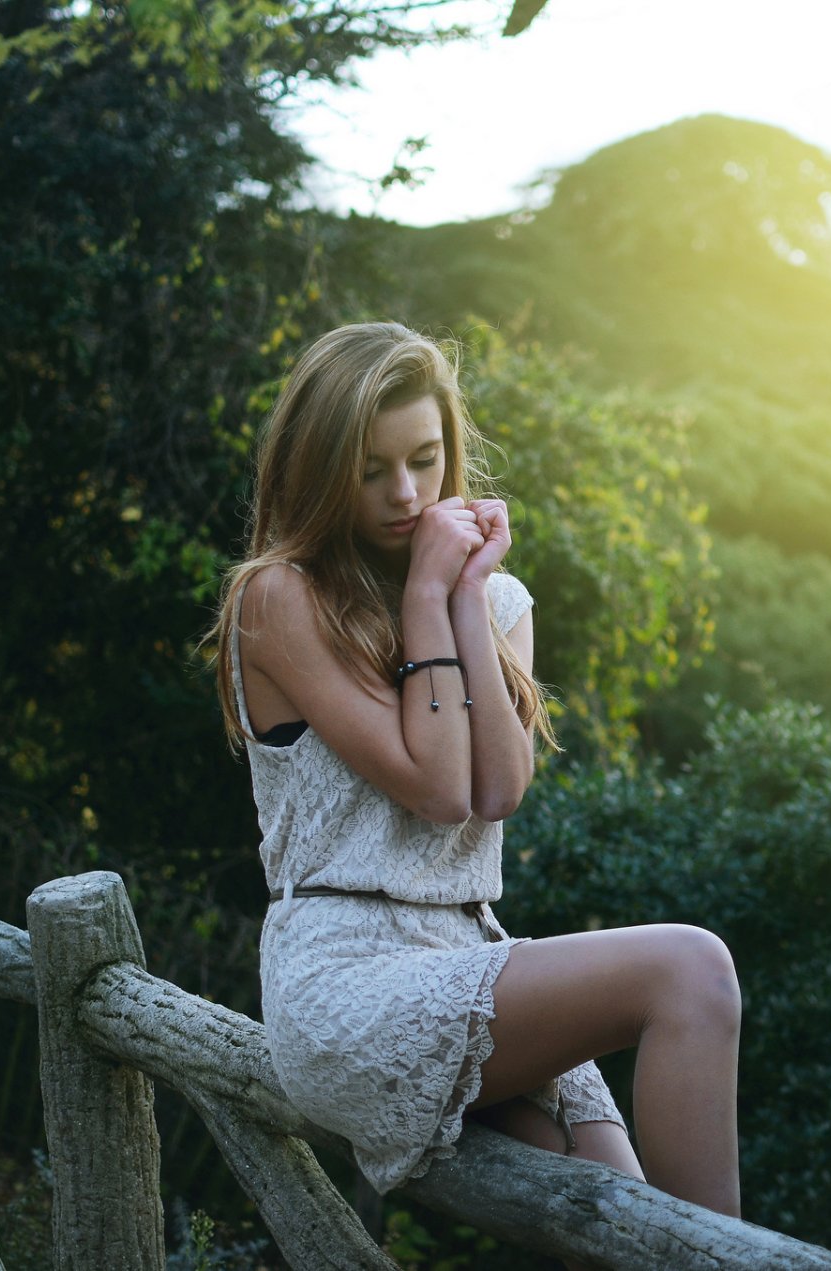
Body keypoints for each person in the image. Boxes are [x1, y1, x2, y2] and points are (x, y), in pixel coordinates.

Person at [205, 321, 743, 1221]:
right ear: (319, 467)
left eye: (424, 459)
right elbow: (438, 788)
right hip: (347, 978)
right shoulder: (280, 596)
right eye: (370, 469)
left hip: (466, 952)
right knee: (691, 969)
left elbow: (497, 789)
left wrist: (459, 593)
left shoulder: (493, 598)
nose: (406, 494)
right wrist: (424, 592)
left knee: (624, 1214)